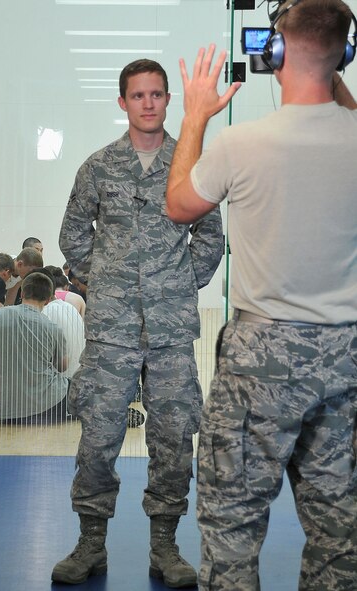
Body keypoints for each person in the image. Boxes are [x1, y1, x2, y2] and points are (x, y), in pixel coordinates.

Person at [165, 1, 357, 590]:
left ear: (273, 55)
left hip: (260, 359)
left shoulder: (239, 143)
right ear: (345, 56)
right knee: (340, 531)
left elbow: (177, 204)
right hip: (347, 357)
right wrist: (331, 67)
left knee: (231, 526)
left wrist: (196, 115)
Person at [52, 58, 224, 587]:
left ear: (169, 100)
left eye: (157, 94)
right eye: (138, 95)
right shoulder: (98, 167)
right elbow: (73, 234)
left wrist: (176, 283)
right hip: (112, 331)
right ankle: (91, 541)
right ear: (122, 102)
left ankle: (165, 546)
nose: (148, 103)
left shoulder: (191, 163)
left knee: (174, 437)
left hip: (172, 333)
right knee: (99, 436)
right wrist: (102, 284)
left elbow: (211, 236)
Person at [0, 272, 69, 423]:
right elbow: (62, 366)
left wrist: (4, 402)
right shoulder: (53, 328)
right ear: (48, 300)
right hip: (50, 403)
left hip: (8, 413)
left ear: (22, 293)